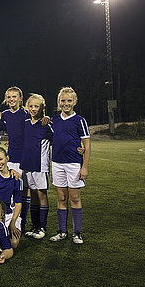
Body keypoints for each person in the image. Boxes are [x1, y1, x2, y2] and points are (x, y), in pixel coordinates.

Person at [49, 86, 91, 244]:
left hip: (74, 164)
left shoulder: (80, 121)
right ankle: (62, 231)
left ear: (75, 102)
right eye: (62, 100)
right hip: (57, 163)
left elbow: (87, 145)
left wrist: (84, 167)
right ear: (58, 102)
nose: (65, 103)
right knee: (61, 197)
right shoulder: (54, 121)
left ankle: (77, 233)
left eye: (69, 100)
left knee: (74, 197)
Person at [20, 93, 53, 239]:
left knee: (41, 193)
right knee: (32, 193)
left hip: (40, 165)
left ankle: (42, 227)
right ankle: (34, 226)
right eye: (31, 106)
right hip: (27, 164)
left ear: (42, 108)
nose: (33, 109)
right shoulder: (26, 123)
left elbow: (57, 139)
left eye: (36, 106)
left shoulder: (46, 125)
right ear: (27, 107)